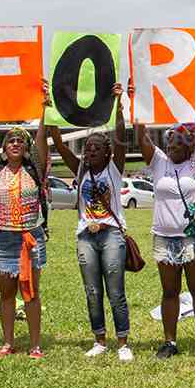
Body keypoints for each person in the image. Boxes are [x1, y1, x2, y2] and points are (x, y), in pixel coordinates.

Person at [129, 82, 195, 359]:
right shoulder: (158, 163)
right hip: (164, 237)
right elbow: (140, 133)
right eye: (168, 142)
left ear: (190, 144)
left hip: (193, 237)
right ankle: (170, 342)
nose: (171, 146)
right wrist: (136, 98)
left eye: (177, 142)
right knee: (170, 291)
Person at [48, 83, 133, 362]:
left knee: (115, 289)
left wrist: (119, 102)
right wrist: (48, 106)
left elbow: (120, 136)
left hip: (111, 236)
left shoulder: (114, 168)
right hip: (86, 236)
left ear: (107, 153)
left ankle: (123, 343)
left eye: (96, 148)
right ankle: (99, 339)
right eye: (87, 148)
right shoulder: (81, 168)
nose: (90, 151)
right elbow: (58, 142)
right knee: (92, 291)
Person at [0, 84, 51, 359]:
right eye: (10, 140)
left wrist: (45, 106)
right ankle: (8, 342)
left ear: (27, 147)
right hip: (2, 239)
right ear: (4, 148)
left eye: (21, 140)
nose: (16, 143)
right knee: (6, 293)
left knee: (30, 292)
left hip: (30, 238)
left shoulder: (36, 168)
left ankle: (35, 345)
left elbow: (42, 135)